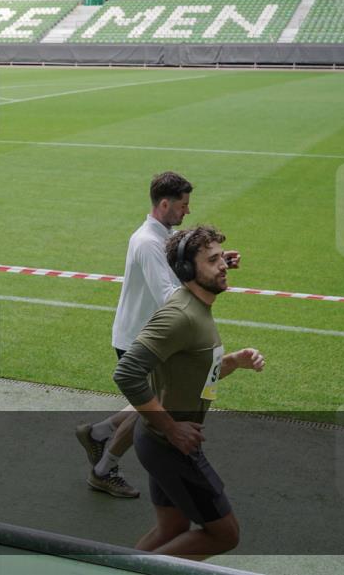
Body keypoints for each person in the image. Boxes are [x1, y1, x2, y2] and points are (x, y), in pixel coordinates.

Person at [76, 172, 239, 498]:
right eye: (183, 205)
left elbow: (181, 266)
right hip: (144, 340)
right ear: (164, 203)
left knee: (147, 406)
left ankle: (99, 434)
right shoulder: (149, 242)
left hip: (148, 336)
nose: (187, 211)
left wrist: (219, 263)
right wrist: (206, 283)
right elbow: (169, 295)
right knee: (152, 410)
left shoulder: (164, 234)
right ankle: (103, 468)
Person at [113, 225, 264, 559]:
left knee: (173, 529)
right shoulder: (180, 316)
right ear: (186, 270)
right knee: (225, 534)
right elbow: (126, 372)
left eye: (221, 257)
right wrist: (171, 427)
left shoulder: (196, 307)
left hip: (158, 439)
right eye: (213, 260)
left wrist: (233, 362)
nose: (223, 265)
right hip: (169, 444)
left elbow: (192, 373)